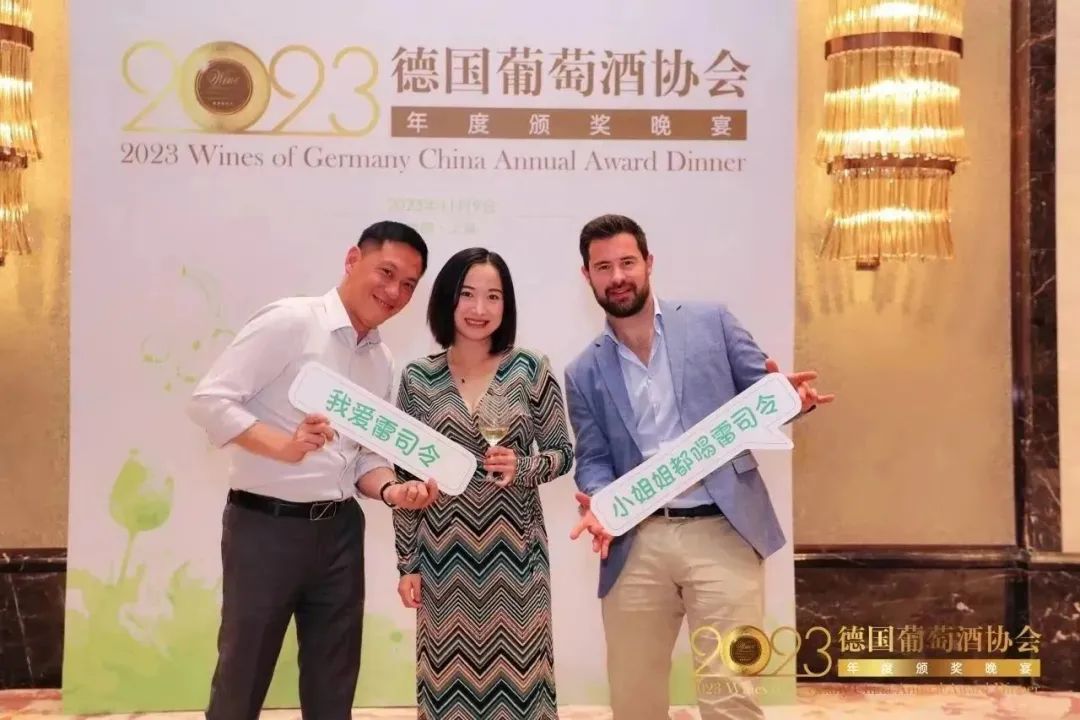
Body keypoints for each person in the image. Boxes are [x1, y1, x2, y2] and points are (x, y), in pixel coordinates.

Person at [564, 214, 833, 720]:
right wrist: (599, 501)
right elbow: (594, 458)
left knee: (732, 694)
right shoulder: (583, 370)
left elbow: (765, 395)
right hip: (636, 542)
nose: (617, 276)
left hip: (724, 530)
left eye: (627, 262)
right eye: (603, 267)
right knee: (634, 699)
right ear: (587, 276)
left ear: (649, 262)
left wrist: (792, 400)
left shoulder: (713, 322)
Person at [187, 220, 441, 720]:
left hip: (341, 532)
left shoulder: (381, 360)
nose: (394, 292)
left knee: (334, 684)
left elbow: (365, 457)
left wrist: (393, 491)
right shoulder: (290, 322)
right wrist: (283, 447)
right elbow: (210, 401)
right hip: (266, 529)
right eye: (386, 272)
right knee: (242, 678)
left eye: (409, 284)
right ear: (353, 260)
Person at [391, 247, 574, 720]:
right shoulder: (418, 379)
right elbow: (405, 479)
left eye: (493, 296)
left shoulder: (530, 368)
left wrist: (523, 467)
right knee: (445, 686)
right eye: (467, 294)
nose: (479, 308)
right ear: (447, 299)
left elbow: (562, 453)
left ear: (506, 305)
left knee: (523, 686)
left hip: (516, 559)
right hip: (442, 561)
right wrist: (408, 564)